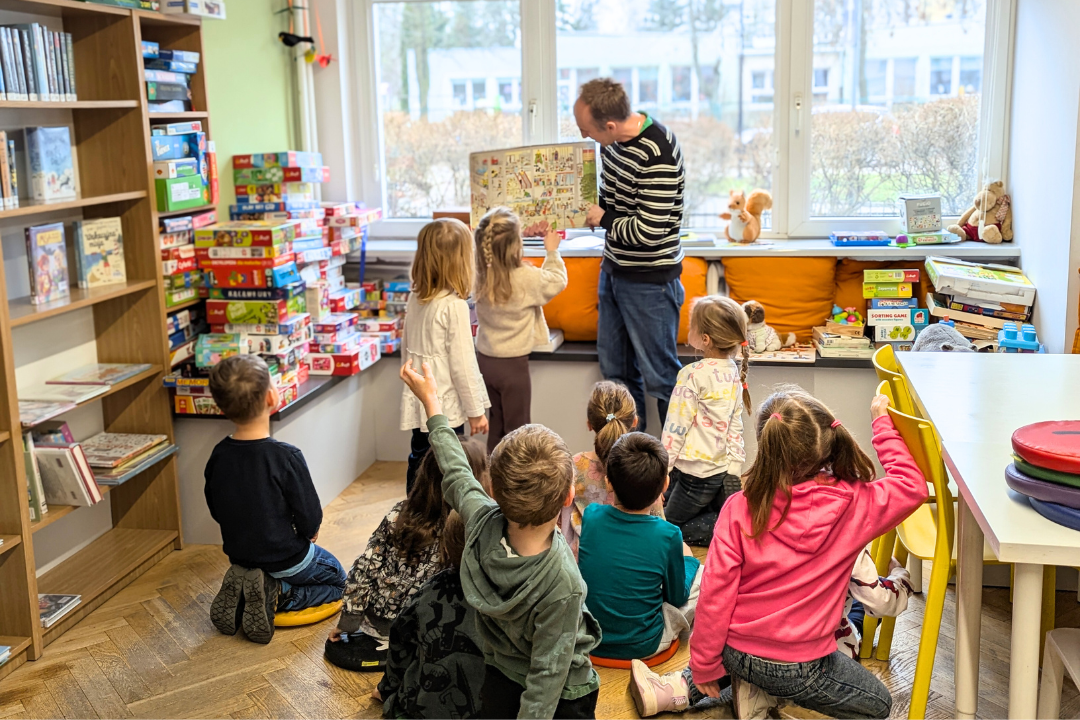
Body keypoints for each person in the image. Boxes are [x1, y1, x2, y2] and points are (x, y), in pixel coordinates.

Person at [628, 389, 928, 719]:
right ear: (828, 439)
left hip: (735, 649)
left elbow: (715, 597)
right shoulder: (856, 503)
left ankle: (686, 688)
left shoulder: (739, 507)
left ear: (766, 445)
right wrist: (881, 423)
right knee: (879, 704)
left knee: (732, 658)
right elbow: (912, 485)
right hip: (798, 667)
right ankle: (768, 697)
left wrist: (704, 664)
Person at [400, 358, 601, 720]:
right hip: (565, 698)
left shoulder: (479, 520)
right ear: (569, 497)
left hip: (499, 676)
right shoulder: (563, 582)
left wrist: (433, 404)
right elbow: (549, 675)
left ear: (494, 489)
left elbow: (456, 468)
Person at [204, 355, 346, 645]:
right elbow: (309, 512)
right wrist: (309, 532)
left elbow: (215, 507)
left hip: (240, 554)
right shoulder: (285, 456)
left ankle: (248, 588)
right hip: (287, 557)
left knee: (267, 567)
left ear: (219, 405)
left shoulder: (218, 455)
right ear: (272, 396)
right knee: (339, 581)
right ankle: (281, 593)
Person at [573, 77, 686, 432]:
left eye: (586, 129)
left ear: (609, 125)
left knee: (663, 378)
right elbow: (611, 201)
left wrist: (603, 218)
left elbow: (649, 232)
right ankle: (630, 462)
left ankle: (675, 471)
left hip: (650, 282)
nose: (584, 137)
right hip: (615, 272)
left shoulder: (658, 152)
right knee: (617, 375)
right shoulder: (612, 146)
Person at [325, 437, 488, 672]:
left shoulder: (397, 514)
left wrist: (349, 622)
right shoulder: (464, 530)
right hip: (420, 630)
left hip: (375, 623)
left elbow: (365, 567)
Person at [578, 432, 701, 660]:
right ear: (665, 484)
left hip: (590, 637)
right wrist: (689, 561)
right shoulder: (669, 534)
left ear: (608, 482)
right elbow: (676, 598)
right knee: (702, 574)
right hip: (645, 644)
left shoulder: (592, 515)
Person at [401, 218, 490, 494]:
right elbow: (463, 365)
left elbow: (407, 346)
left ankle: (414, 510)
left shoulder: (416, 298)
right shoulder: (454, 307)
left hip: (421, 400)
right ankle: (442, 520)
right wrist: (476, 412)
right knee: (448, 464)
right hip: (446, 408)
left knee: (420, 458)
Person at [474, 207, 568, 452]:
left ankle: (491, 477)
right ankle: (513, 484)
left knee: (497, 424)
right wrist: (552, 250)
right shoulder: (525, 278)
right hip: (513, 367)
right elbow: (557, 280)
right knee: (518, 430)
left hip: (485, 360)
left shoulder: (480, 276)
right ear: (517, 246)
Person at [374, 511, 486, 719]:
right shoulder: (519, 598)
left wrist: (387, 688)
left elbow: (400, 640)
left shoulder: (433, 589)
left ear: (445, 547)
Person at [660, 295, 750, 546]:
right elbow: (735, 423)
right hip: (715, 469)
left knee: (665, 528)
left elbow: (675, 429)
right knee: (668, 503)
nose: (689, 331)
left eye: (692, 327)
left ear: (706, 340)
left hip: (695, 475)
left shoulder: (692, 375)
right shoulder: (732, 369)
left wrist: (661, 473)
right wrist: (734, 467)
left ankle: (726, 529)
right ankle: (726, 514)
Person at [560, 380, 664, 559]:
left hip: (582, 559)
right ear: (635, 421)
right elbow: (659, 525)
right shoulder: (644, 465)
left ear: (589, 424)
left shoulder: (574, 465)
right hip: (635, 557)